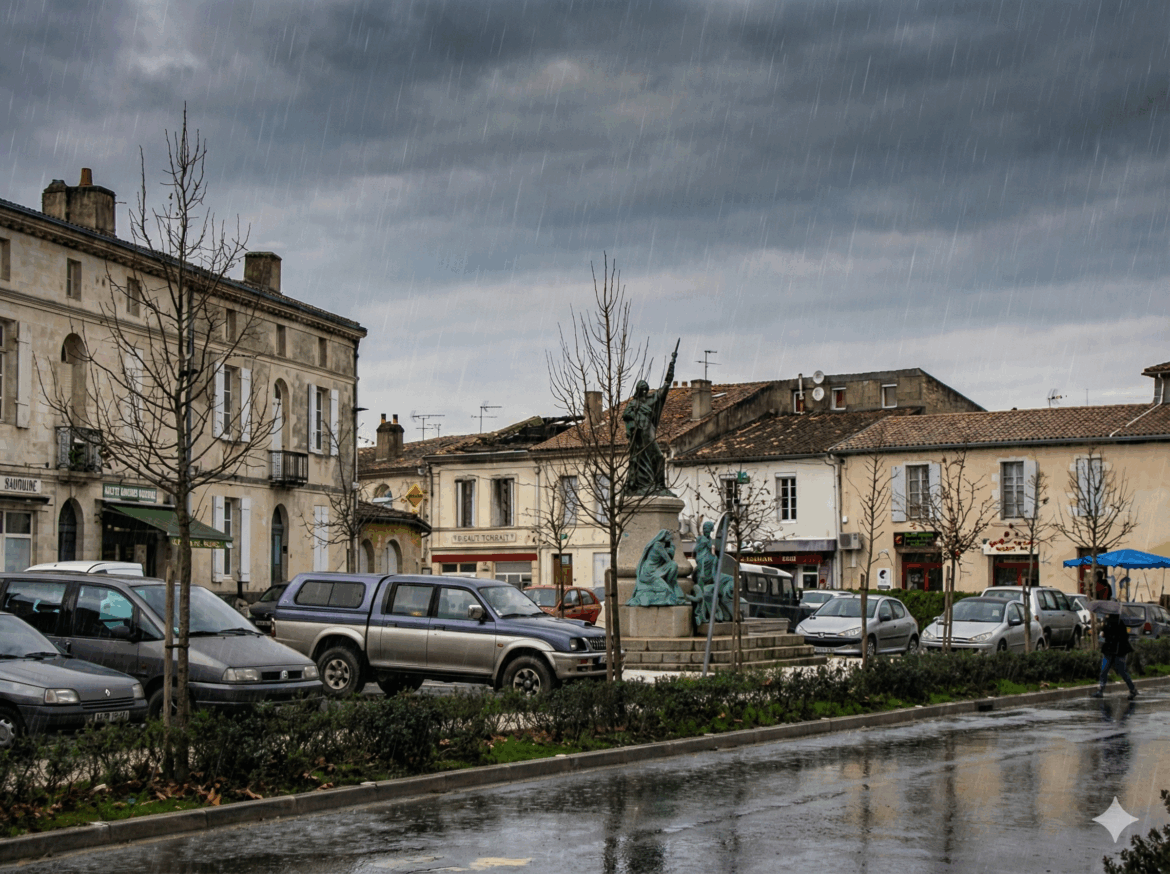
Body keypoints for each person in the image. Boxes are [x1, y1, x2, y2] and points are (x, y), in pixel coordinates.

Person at [1091, 612, 1138, 700]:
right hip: (1110, 650)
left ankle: (1132, 689)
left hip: (1118, 651)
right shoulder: (1109, 622)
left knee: (1119, 671)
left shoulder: (1119, 623)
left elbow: (1122, 637)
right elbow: (1104, 634)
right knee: (1105, 670)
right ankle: (1100, 690)